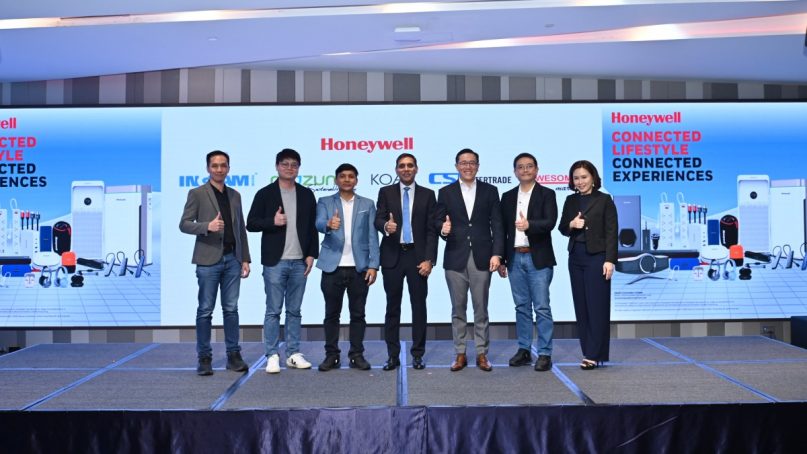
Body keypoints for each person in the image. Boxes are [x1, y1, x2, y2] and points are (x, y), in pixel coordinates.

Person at [246, 148, 319, 374]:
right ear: (277, 166)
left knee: (294, 311)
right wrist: (272, 221)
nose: (289, 168)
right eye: (285, 164)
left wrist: (311, 254)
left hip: (300, 261)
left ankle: (293, 353)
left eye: (294, 165)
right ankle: (272, 355)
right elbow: (251, 223)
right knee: (273, 311)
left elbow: (312, 227)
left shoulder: (306, 194)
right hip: (275, 261)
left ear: (299, 168)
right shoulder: (265, 193)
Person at [179, 150, 251, 376]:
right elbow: (184, 224)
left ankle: (233, 355)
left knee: (231, 309)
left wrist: (245, 258)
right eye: (215, 165)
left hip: (233, 259)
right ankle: (204, 357)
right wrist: (206, 227)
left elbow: (240, 229)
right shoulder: (197, 193)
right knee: (205, 311)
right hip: (208, 260)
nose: (219, 169)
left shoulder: (235, 195)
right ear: (208, 168)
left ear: (228, 168)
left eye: (223, 165)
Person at [436, 148, 504, 372]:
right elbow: (437, 222)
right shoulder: (445, 192)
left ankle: (482, 354)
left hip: (483, 257)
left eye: (472, 162)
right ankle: (460, 353)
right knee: (458, 309)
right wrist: (443, 229)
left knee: (481, 308)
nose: (468, 166)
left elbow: (497, 225)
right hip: (455, 257)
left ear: (478, 166)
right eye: (463, 163)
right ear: (456, 166)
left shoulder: (490, 191)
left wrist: (497, 254)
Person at [375, 153, 438, 371]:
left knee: (419, 307)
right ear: (396, 170)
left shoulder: (428, 194)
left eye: (410, 165)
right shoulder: (385, 192)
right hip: (392, 256)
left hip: (418, 258)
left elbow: (432, 230)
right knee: (392, 307)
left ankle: (417, 355)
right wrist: (386, 226)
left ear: (416, 169)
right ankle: (392, 356)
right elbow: (378, 218)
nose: (406, 169)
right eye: (402, 166)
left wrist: (429, 260)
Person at [315, 163, 380, 371]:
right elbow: (318, 223)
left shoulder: (367, 204)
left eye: (351, 176)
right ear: (336, 180)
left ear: (356, 180)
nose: (346, 179)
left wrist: (373, 265)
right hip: (332, 266)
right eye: (342, 176)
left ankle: (356, 355)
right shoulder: (325, 201)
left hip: (359, 268)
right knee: (331, 314)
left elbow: (372, 236)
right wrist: (328, 224)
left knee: (358, 314)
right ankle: (331, 355)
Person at [498, 153, 558, 372]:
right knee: (521, 307)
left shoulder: (547, 194)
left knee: (541, 307)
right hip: (514, 258)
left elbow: (550, 222)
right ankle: (524, 349)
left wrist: (529, 225)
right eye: (520, 167)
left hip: (537, 258)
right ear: (515, 171)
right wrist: (502, 258)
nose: (525, 170)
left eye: (529, 166)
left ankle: (544, 353)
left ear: (537, 169)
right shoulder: (507, 197)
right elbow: (502, 230)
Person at [558, 160, 617, 370]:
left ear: (593, 178)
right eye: (576, 178)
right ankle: (588, 352)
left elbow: (612, 232)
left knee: (597, 307)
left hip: (597, 258)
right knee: (581, 307)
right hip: (576, 257)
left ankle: (594, 354)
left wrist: (610, 260)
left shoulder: (604, 200)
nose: (580, 181)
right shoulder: (570, 200)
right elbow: (562, 228)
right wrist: (571, 224)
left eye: (584, 177)